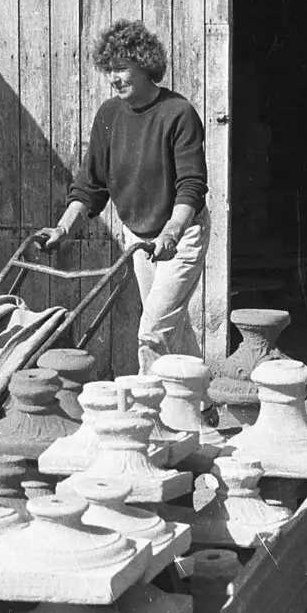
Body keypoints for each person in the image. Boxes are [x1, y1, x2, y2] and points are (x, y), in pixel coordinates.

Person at [35, 19, 209, 371]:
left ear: (144, 65)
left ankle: (151, 414)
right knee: (168, 327)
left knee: (153, 332)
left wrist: (172, 233)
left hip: (181, 233)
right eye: (109, 70)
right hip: (139, 235)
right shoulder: (109, 115)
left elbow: (191, 186)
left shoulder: (179, 114)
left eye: (121, 69)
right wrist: (62, 230)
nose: (114, 79)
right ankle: (200, 406)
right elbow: (89, 184)